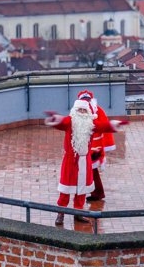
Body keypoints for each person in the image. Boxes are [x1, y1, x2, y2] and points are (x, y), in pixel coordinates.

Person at [46, 96, 123, 225]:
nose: (81, 112)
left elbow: (104, 126)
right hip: (70, 160)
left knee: (82, 189)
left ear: (88, 112)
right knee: (65, 189)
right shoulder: (69, 121)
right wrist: (54, 118)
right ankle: (61, 213)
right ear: (75, 110)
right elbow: (61, 123)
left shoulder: (90, 124)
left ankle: (79, 213)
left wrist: (116, 124)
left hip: (84, 160)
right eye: (79, 109)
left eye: (84, 110)